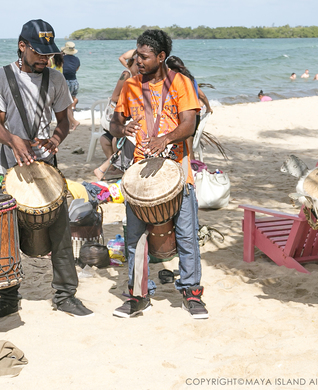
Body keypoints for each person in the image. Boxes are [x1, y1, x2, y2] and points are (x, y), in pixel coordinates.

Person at [0, 19, 93, 318]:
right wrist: (12, 140)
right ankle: (8, 299)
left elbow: (64, 122)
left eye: (48, 53)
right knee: (4, 238)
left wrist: (56, 139)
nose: (45, 59)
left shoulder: (56, 80)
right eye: (38, 53)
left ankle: (65, 295)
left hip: (47, 168)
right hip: (8, 169)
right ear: (22, 46)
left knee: (60, 233)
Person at [110, 29, 208, 319]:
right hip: (139, 172)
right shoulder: (130, 86)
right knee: (135, 238)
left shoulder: (181, 83)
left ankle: (191, 293)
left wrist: (164, 139)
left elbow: (188, 124)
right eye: (136, 54)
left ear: (161, 57)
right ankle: (139, 296)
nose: (137, 60)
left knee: (187, 236)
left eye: (144, 56)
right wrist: (122, 129)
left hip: (178, 170)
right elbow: (115, 123)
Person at [166, 55, 213, 161]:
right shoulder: (190, 79)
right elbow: (202, 96)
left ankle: (190, 171)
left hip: (185, 117)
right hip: (195, 115)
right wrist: (209, 108)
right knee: (188, 146)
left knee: (187, 147)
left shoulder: (177, 81)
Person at [62, 41, 81, 130]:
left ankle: (74, 122)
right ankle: (70, 126)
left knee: (66, 106)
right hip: (74, 82)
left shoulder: (62, 58)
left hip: (66, 82)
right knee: (71, 105)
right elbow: (76, 69)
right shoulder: (76, 59)